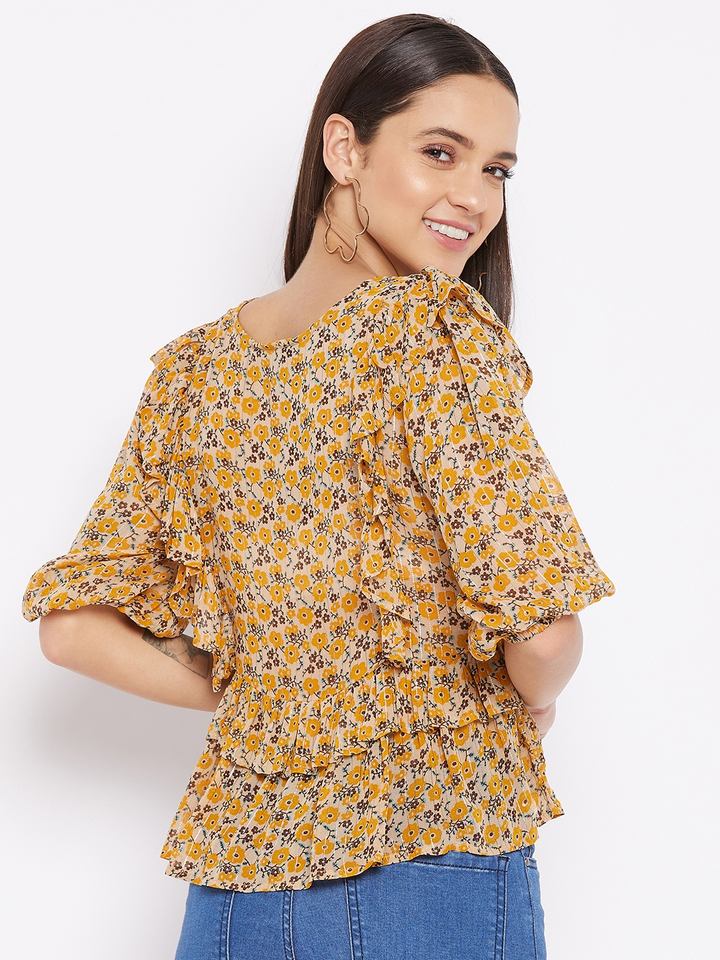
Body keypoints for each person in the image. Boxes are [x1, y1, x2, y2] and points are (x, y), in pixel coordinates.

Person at [21, 13, 615, 960]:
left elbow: (72, 626)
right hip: (429, 848)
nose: (474, 196)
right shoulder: (432, 331)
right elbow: (543, 633)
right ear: (344, 147)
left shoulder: (196, 373)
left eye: (497, 169)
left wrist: (282, 690)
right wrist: (531, 699)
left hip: (236, 883)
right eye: (440, 152)